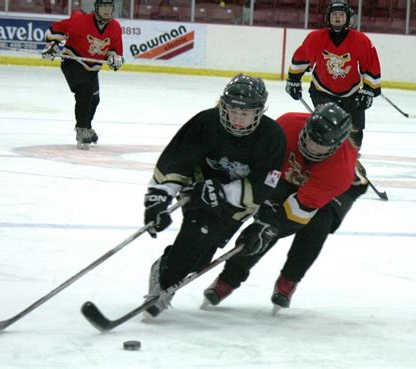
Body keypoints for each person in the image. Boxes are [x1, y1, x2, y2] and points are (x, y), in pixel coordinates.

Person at [141, 74, 287, 318]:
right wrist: (159, 198)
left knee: (201, 259)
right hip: (198, 192)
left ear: (259, 111)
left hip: (236, 205)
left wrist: (223, 192)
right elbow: (176, 160)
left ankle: (164, 267)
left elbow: (264, 184)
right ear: (223, 105)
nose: (238, 119)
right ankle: (164, 285)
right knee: (197, 235)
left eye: (245, 113)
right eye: (232, 111)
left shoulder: (272, 136)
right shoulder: (205, 122)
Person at [202, 102, 366, 312]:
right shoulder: (287, 125)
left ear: (337, 144)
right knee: (264, 222)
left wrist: (270, 227)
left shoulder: (340, 171)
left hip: (338, 191)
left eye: (322, 145)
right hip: (294, 176)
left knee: (313, 226)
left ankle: (289, 280)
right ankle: (229, 278)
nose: (313, 147)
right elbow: (263, 167)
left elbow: (298, 210)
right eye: (310, 139)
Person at [285, 0, 381, 149]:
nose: (337, 18)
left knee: (355, 130)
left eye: (341, 15)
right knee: (325, 127)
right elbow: (301, 58)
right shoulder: (316, 38)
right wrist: (294, 80)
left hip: (352, 92)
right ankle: (323, 156)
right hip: (322, 90)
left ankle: (352, 158)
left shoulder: (361, 40)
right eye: (334, 14)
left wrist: (369, 89)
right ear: (328, 18)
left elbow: (370, 64)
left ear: (348, 18)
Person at [41, 0, 124, 150]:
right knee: (84, 91)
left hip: (92, 69)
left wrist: (114, 59)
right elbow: (54, 31)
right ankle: (82, 129)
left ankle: (87, 126)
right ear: (96, 9)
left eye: (109, 7)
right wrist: (51, 46)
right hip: (73, 62)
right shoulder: (80, 20)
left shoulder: (115, 28)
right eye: (103, 6)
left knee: (95, 99)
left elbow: (114, 51)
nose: (107, 10)